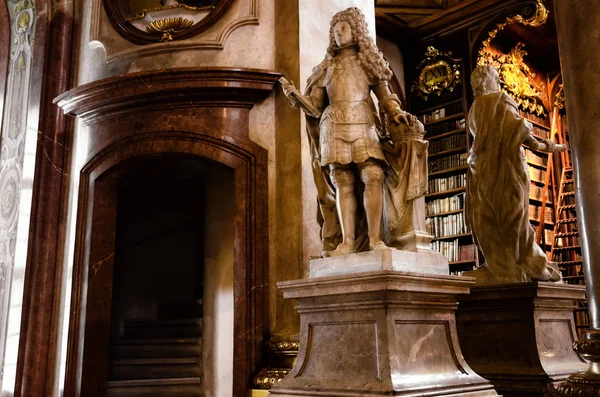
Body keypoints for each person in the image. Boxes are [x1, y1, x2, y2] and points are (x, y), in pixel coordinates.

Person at [282, 7, 419, 257]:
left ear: (356, 31)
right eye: (334, 31)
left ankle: (375, 239)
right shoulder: (326, 67)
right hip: (333, 126)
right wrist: (296, 97)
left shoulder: (368, 62)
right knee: (343, 182)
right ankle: (347, 242)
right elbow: (314, 107)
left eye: (343, 29)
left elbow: (385, 95)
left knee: (373, 175)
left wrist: (395, 111)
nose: (338, 34)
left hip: (363, 124)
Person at [464, 65, 565, 284]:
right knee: (514, 216)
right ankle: (524, 264)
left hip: (481, 171)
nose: (498, 81)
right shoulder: (499, 100)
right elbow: (516, 127)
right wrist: (542, 145)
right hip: (506, 168)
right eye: (495, 78)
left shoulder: (473, 109)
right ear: (487, 81)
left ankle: (500, 265)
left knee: (487, 218)